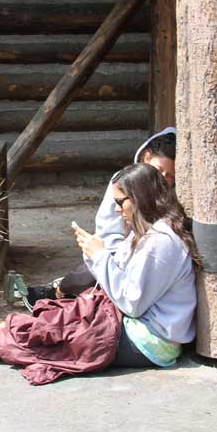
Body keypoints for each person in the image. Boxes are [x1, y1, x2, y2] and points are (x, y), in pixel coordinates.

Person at [0, 162, 199, 385]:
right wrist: (96, 253)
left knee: (55, 341)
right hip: (135, 324)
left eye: (121, 202)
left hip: (151, 341)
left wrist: (100, 257)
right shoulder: (151, 234)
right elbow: (122, 275)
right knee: (50, 325)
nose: (118, 209)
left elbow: (132, 300)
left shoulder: (161, 243)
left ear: (141, 198)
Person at [24, 126, 177, 305]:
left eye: (170, 175)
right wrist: (116, 258)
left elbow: (134, 301)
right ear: (146, 158)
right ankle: (60, 291)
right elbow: (109, 235)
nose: (163, 179)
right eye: (159, 170)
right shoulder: (122, 184)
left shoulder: (166, 224)